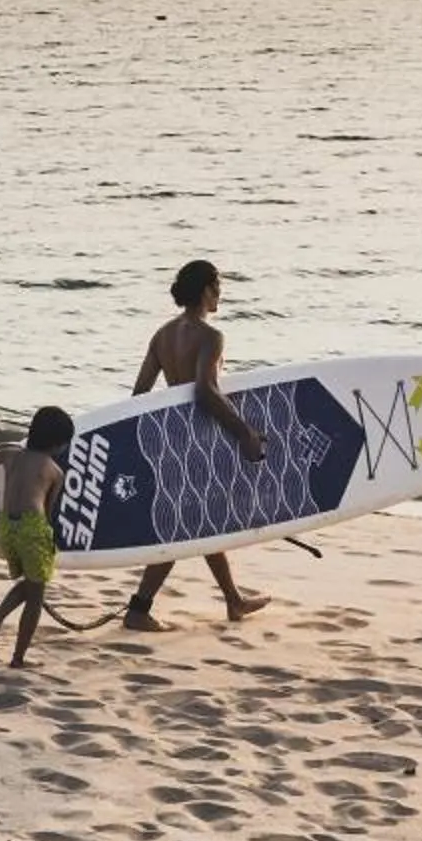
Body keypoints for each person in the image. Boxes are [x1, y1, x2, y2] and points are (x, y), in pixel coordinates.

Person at [124, 260, 272, 632]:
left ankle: (233, 599)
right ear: (205, 290)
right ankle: (139, 609)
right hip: (200, 440)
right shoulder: (210, 337)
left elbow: (140, 395)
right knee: (187, 524)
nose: (220, 293)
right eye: (217, 285)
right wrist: (244, 432)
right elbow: (206, 390)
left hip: (170, 440)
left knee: (202, 520)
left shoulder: (162, 335)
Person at [0, 405, 75, 667]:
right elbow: (48, 514)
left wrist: (1, 447)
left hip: (7, 528)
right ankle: (18, 659)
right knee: (36, 597)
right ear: (58, 444)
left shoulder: (9, 454)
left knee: (30, 584)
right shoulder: (55, 471)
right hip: (33, 530)